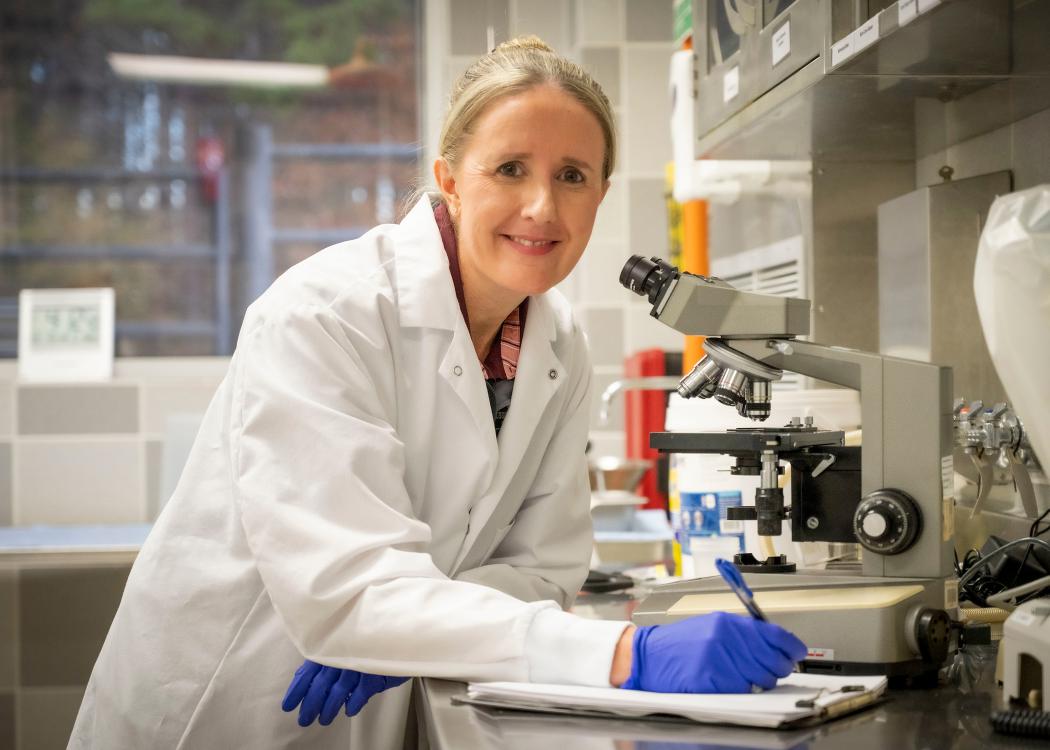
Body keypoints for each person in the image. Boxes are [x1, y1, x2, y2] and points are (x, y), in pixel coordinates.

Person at [69, 36, 806, 750]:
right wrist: (625, 656)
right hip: (223, 707)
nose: (544, 207)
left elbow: (545, 570)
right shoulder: (323, 315)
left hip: (382, 701)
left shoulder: (559, 345)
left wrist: (408, 625)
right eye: (511, 168)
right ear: (449, 179)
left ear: (601, 194)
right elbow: (351, 592)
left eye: (573, 176)